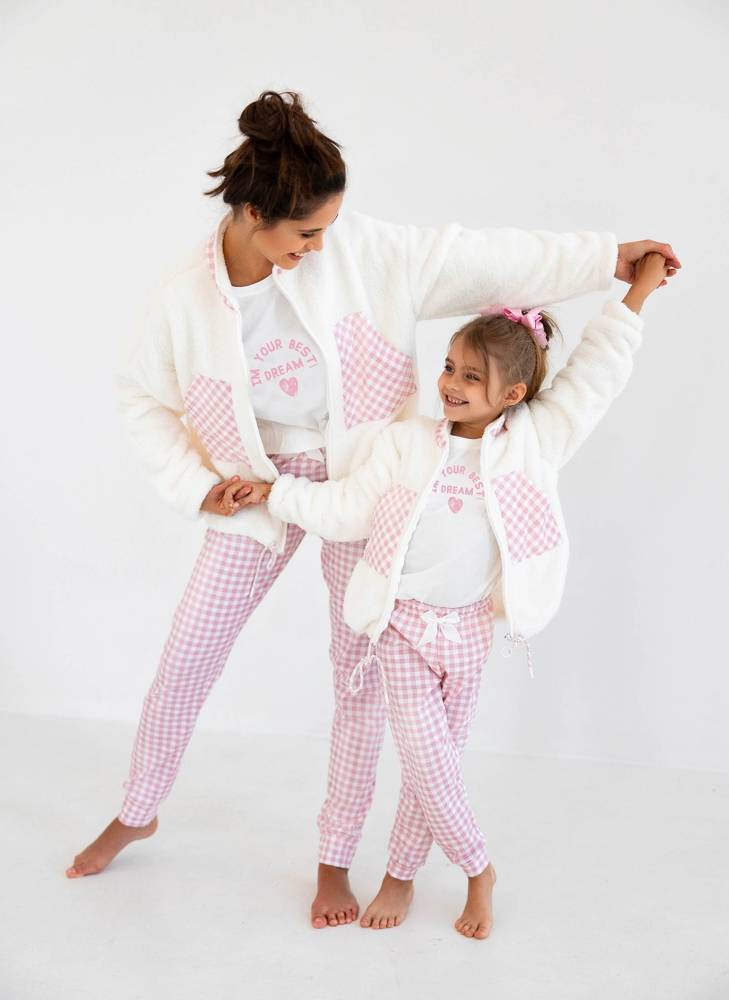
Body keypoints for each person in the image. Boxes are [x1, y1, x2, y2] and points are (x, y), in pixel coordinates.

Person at [65, 90, 679, 931]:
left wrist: (604, 258)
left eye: (328, 229)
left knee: (355, 680)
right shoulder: (184, 297)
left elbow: (481, 258)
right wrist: (192, 484)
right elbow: (140, 395)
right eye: (305, 234)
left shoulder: (361, 252)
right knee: (188, 653)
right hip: (255, 488)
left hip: (367, 485)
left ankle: (333, 860)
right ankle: (139, 807)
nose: (320, 247)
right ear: (252, 215)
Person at [235, 251, 668, 936]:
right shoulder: (406, 444)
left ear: (512, 395)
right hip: (401, 625)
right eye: (448, 367)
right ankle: (478, 869)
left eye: (471, 376)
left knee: (433, 766)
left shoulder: (533, 443)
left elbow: (596, 375)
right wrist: (276, 493)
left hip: (468, 630)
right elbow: (348, 508)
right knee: (424, 753)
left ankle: (401, 876)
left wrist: (637, 293)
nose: (450, 384)